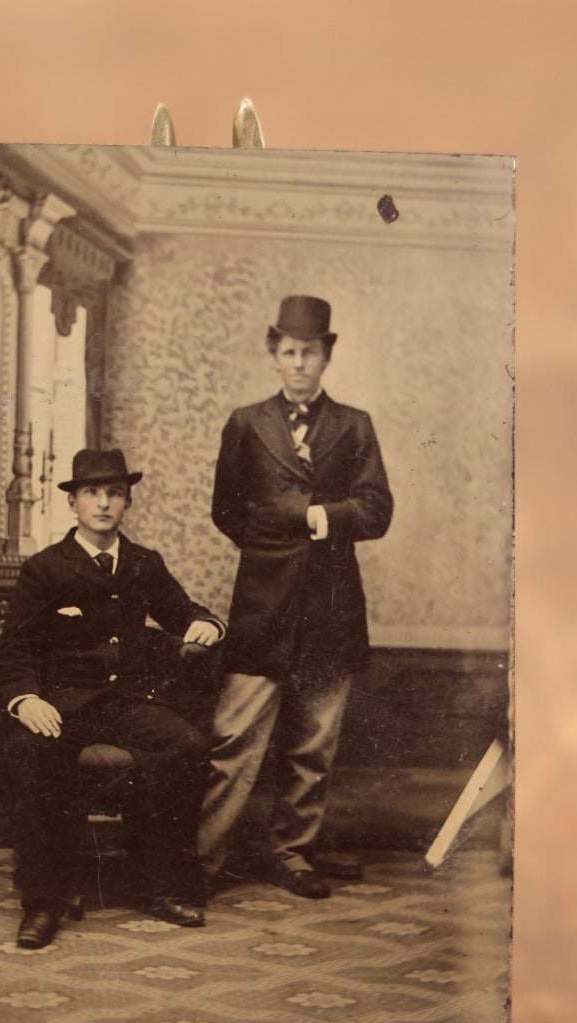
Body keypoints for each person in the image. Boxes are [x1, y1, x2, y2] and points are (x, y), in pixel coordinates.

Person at [198, 295, 393, 898]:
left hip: (331, 607)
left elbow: (377, 510)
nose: (299, 363)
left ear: (327, 355)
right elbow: (227, 511)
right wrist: (276, 548)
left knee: (313, 743)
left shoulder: (354, 425)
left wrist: (311, 518)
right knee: (234, 738)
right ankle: (202, 861)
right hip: (263, 605)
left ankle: (293, 853)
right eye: (289, 352)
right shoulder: (246, 423)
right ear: (273, 354)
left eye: (310, 351)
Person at [0, 448, 224, 949]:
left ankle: (160, 884)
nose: (103, 503)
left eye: (114, 493)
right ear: (73, 503)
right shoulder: (46, 569)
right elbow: (14, 650)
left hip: (126, 703)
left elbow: (184, 610)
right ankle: (44, 900)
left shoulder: (143, 564)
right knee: (31, 752)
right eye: (92, 493)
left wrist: (205, 623)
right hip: (64, 704)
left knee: (184, 746)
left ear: (127, 502)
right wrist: (25, 700)